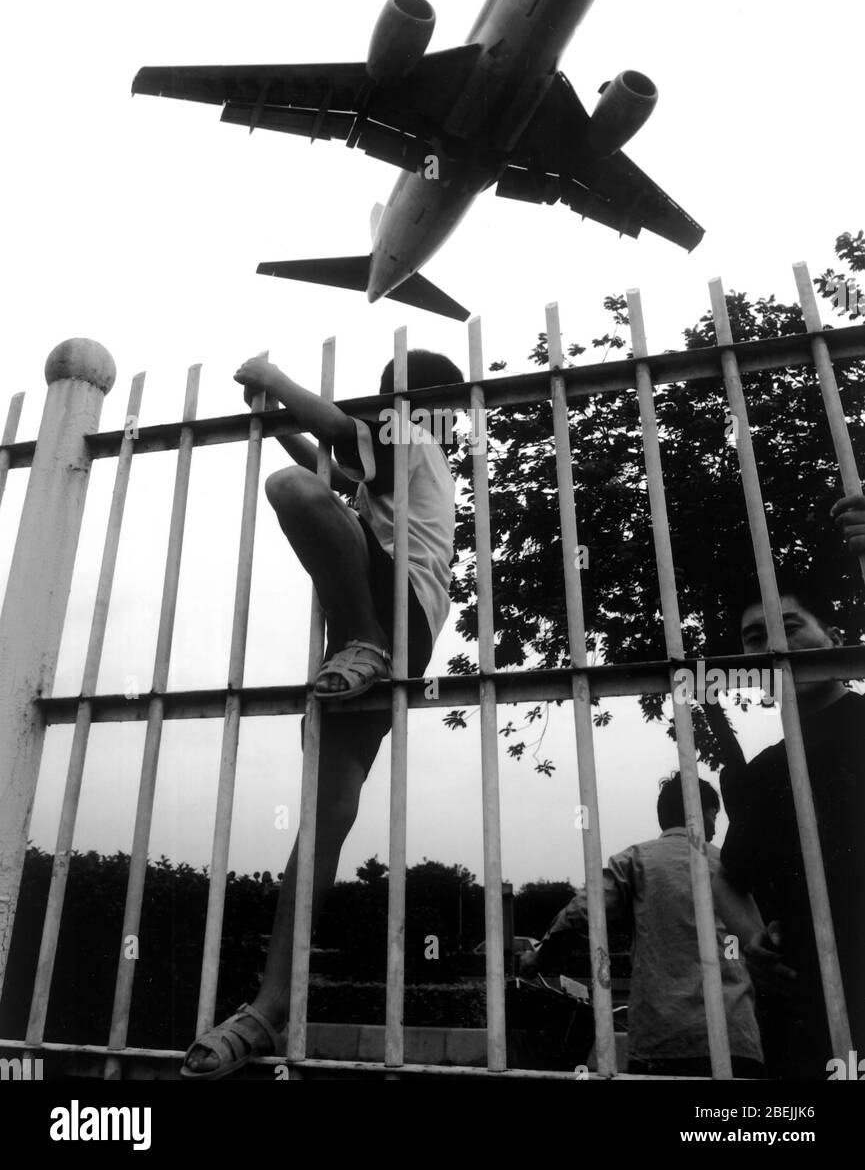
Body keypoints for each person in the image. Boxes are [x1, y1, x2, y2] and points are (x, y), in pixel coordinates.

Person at [182, 348, 463, 1078]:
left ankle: (364, 638)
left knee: (290, 493)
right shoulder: (413, 453)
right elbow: (332, 460)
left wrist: (271, 376)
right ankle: (268, 1009)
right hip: (401, 627)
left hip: (390, 603)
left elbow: (333, 442)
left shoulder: (407, 427)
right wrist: (278, 420)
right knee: (325, 820)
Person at [714, 544, 865, 1080]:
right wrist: (750, 938)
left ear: (837, 642)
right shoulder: (762, 772)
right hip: (803, 1016)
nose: (774, 643)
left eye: (791, 626)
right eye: (755, 638)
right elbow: (728, 873)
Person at [522, 774, 764, 1077]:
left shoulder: (637, 859)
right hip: (735, 1037)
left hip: (662, 1039)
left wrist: (538, 957)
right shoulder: (728, 866)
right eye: (714, 815)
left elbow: (580, 913)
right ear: (702, 813)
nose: (715, 826)